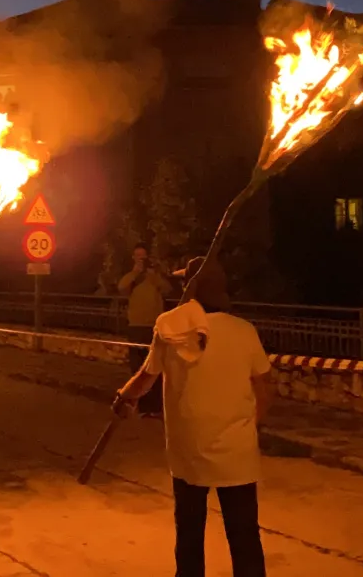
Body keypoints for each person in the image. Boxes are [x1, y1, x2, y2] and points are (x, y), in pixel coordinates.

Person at [114, 256, 273, 577]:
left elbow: (146, 377)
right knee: (244, 536)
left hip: (188, 449)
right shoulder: (244, 331)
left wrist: (124, 396)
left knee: (189, 533)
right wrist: (251, 426)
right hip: (237, 454)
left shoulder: (168, 326)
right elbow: (264, 388)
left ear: (192, 287)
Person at [117, 243, 172, 415]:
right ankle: (141, 406)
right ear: (134, 258)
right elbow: (121, 288)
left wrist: (154, 276)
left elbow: (168, 290)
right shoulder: (131, 277)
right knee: (137, 368)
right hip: (136, 326)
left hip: (154, 327)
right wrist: (135, 272)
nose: (141, 259)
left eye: (143, 256)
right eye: (138, 256)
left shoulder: (154, 276)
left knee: (155, 369)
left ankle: (155, 407)